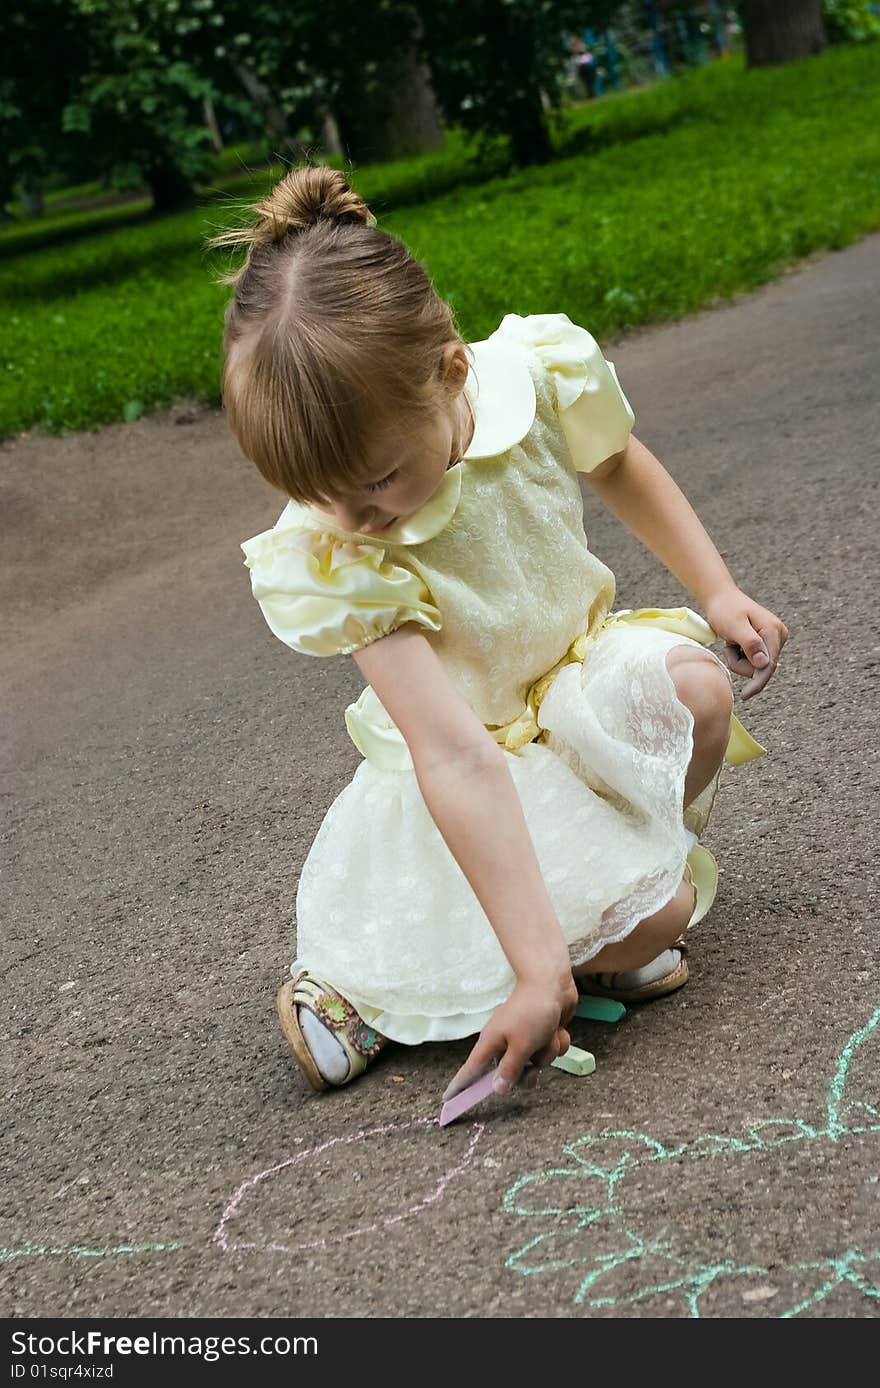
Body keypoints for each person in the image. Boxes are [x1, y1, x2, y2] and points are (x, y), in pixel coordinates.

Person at [211, 165, 788, 1103]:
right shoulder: (337, 549)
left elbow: (619, 461)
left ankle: (598, 921)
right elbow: (455, 763)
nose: (359, 521)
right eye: (327, 495)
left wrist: (715, 590)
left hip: (573, 682)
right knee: (660, 914)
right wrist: (536, 973)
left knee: (697, 691)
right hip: (475, 766)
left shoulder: (536, 374)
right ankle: (362, 989)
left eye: (380, 483)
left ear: (451, 369)